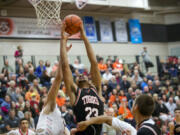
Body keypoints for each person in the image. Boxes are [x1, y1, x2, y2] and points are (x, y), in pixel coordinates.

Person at [61, 22, 104, 135]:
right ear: (75, 82)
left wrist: (84, 37)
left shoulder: (97, 89)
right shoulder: (75, 92)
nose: (80, 75)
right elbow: (65, 68)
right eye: (78, 76)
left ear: (89, 79)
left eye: (83, 74)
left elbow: (94, 63)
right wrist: (63, 41)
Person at [35, 33, 72, 135]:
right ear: (43, 105)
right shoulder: (49, 106)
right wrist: (63, 52)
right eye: (45, 97)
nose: (48, 96)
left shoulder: (60, 118)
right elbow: (58, 78)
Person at [77, 94, 161, 135]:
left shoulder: (145, 131)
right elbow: (107, 119)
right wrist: (87, 123)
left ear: (135, 107)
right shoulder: (146, 126)